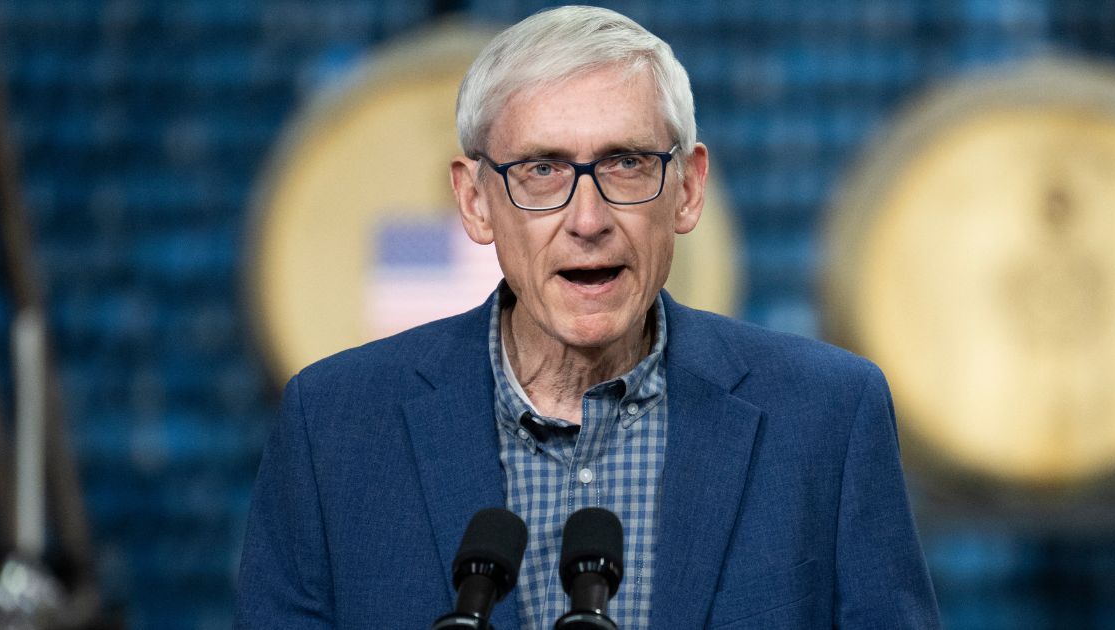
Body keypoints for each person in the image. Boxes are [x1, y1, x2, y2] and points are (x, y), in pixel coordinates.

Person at [235, 6, 940, 629]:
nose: (588, 219)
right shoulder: (333, 430)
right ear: (476, 201)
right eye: (541, 170)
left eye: (626, 163)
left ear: (689, 189)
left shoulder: (828, 418)